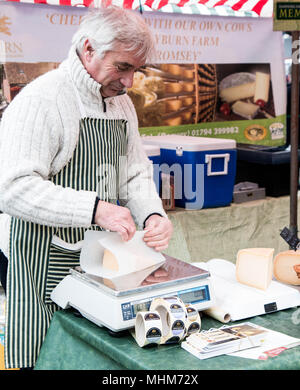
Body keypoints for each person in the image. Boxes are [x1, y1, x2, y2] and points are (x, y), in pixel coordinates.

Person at [0, 6, 173, 369]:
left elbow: (134, 173)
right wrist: (96, 209)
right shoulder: (42, 99)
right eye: (123, 67)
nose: (129, 82)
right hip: (45, 267)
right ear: (90, 49)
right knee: (48, 359)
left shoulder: (122, 105)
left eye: (136, 70)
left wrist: (152, 213)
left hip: (104, 265)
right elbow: (13, 188)